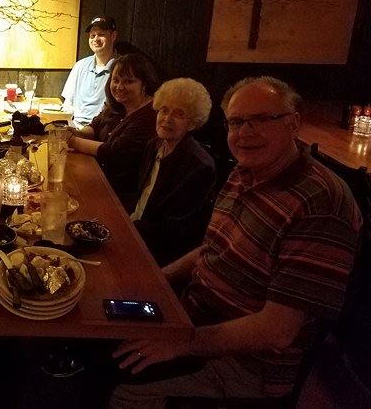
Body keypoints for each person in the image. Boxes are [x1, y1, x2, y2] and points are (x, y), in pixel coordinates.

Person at [110, 76, 361, 408]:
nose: (245, 133)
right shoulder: (244, 172)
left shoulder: (321, 202)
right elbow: (214, 248)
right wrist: (159, 279)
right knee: (107, 317)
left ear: (294, 123)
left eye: (262, 120)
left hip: (246, 363)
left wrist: (183, 342)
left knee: (123, 385)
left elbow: (276, 330)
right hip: (193, 316)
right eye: (237, 122)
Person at [129, 78, 216, 267]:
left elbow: (175, 229)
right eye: (164, 110)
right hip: (135, 228)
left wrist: (126, 230)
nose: (167, 119)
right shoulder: (154, 145)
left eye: (179, 114)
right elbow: (141, 197)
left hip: (158, 252)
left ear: (192, 123)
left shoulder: (199, 165)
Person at [68, 53, 159, 206]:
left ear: (144, 84)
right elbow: (95, 125)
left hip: (120, 195)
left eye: (129, 81)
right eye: (116, 80)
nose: (119, 87)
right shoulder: (119, 105)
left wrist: (73, 141)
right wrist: (77, 132)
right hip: (99, 178)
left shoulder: (149, 115)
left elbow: (114, 152)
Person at [62, 15, 118, 128]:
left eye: (101, 34)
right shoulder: (80, 66)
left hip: (103, 129)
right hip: (75, 126)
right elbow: (68, 103)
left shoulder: (120, 68)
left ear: (113, 36)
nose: (96, 39)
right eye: (92, 35)